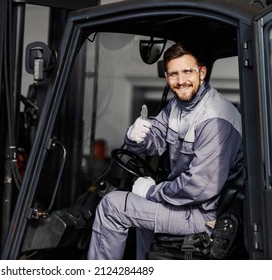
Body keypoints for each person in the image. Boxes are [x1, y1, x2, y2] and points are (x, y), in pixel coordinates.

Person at [86, 42, 243, 260]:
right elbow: (157, 139)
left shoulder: (216, 118)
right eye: (173, 74)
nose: (180, 81)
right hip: (184, 204)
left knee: (111, 207)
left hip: (205, 214)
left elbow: (199, 187)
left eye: (187, 71)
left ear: (202, 73)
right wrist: (135, 138)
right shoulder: (177, 107)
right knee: (140, 213)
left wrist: (152, 192)